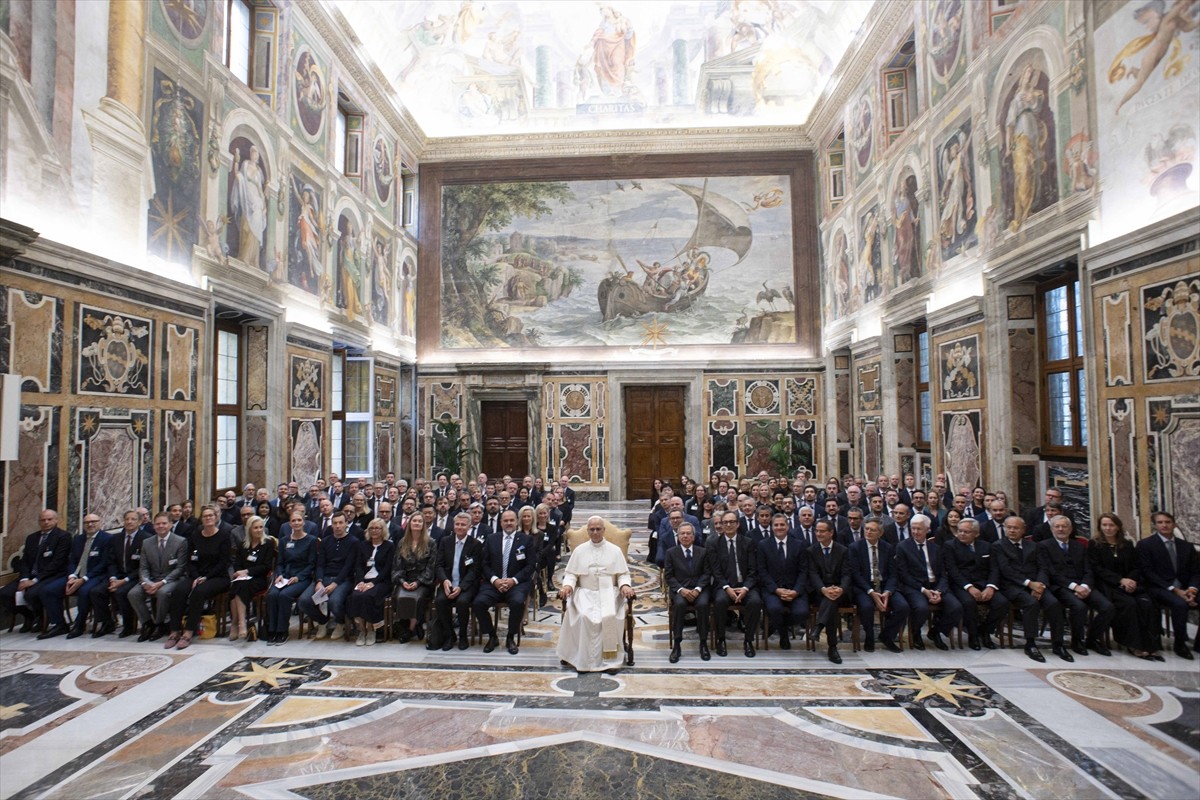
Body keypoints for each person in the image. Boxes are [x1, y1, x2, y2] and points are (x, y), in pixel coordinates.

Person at [557, 516, 635, 672]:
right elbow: (571, 574)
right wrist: (567, 586)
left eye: (598, 529)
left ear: (604, 530)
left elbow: (622, 574)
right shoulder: (579, 551)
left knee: (609, 616)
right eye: (592, 529)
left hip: (609, 593)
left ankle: (610, 661)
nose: (595, 532)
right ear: (587, 531)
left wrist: (625, 585)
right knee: (584, 617)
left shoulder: (615, 550)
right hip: (584, 593)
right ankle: (583, 660)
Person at [995, 516, 1070, 663]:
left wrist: (1040, 585)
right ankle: (1030, 643)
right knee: (1031, 603)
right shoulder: (998, 546)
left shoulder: (1033, 546)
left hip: (1036, 584)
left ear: (1023, 530)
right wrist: (1030, 584)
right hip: (1012, 586)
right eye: (1008, 527)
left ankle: (1058, 643)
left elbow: (1043, 567)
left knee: (1054, 603)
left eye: (1015, 528)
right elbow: (1006, 571)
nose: (1011, 530)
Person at [1090, 513, 1163, 660]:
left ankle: (1151, 645)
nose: (1108, 528)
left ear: (1118, 527)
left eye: (1111, 525)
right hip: (1108, 585)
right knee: (1128, 604)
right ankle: (1133, 644)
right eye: (1104, 525)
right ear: (1100, 527)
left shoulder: (1127, 544)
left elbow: (1136, 566)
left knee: (1147, 603)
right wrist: (1120, 580)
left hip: (1130, 584)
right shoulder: (1095, 544)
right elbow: (1097, 569)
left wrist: (1130, 580)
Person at [1042, 515, 1115, 657]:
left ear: (1070, 529)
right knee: (1079, 607)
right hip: (1061, 587)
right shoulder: (1044, 546)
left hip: (1084, 585)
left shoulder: (1079, 546)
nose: (1061, 529)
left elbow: (1088, 569)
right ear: (1052, 529)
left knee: (1107, 607)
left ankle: (1092, 639)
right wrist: (1075, 587)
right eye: (1057, 526)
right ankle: (1077, 641)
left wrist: (1086, 586)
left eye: (1064, 526)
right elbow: (1051, 573)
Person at [169, 506, 233, 650]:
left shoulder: (224, 536)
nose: (208, 518)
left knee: (199, 592)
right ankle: (174, 630)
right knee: (179, 590)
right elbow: (190, 561)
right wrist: (197, 576)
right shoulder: (195, 536)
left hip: (217, 576)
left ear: (216, 518)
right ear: (201, 519)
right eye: (205, 516)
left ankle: (189, 631)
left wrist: (206, 577)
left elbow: (224, 562)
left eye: (211, 515)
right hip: (196, 575)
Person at [1137, 510, 1197, 660]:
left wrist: (1192, 589)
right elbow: (1147, 572)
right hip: (1159, 587)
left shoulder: (1186, 547)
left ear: (1174, 524)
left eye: (1167, 522)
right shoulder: (1146, 545)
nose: (1164, 525)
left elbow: (1196, 571)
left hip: (1185, 587)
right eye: (1160, 522)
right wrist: (1174, 589)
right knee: (1180, 604)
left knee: (1184, 600)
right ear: (1155, 525)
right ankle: (1180, 643)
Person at [895, 514, 960, 650]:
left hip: (935, 585)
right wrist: (924, 590)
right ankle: (916, 633)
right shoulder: (903, 547)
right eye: (913, 529)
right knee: (921, 608)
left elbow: (943, 573)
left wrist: (939, 590)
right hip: (915, 586)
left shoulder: (935, 548)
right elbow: (904, 575)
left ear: (927, 530)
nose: (915, 532)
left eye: (919, 529)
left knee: (956, 607)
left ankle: (936, 632)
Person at [473, 509, 534, 655]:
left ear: (516, 522)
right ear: (500, 523)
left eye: (511, 520)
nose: (508, 523)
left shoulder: (526, 540)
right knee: (478, 603)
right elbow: (484, 564)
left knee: (518, 602)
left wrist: (513, 580)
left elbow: (531, 565)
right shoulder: (491, 538)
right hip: (494, 583)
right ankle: (492, 636)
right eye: (505, 521)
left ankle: (510, 637)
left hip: (516, 583)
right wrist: (495, 580)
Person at [946, 517, 1009, 650]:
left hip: (984, 583)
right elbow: (953, 571)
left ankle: (985, 631)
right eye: (960, 531)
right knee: (969, 603)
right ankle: (973, 636)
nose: (962, 534)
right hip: (961, 585)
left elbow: (994, 569)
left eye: (966, 532)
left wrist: (991, 587)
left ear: (976, 533)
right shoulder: (950, 546)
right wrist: (969, 587)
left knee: (1002, 603)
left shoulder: (986, 546)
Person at [708, 511, 763, 658]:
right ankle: (721, 640)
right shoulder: (714, 544)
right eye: (725, 522)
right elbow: (716, 571)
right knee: (719, 601)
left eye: (732, 522)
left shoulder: (748, 543)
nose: (728, 525)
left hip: (745, 585)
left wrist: (745, 588)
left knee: (756, 602)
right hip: (724, 586)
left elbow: (753, 570)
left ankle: (748, 640)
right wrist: (727, 588)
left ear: (738, 524)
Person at [128, 513, 189, 642]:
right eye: (157, 524)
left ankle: (160, 624)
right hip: (151, 579)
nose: (161, 526)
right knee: (133, 593)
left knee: (163, 593)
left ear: (170, 525)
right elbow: (143, 567)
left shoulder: (180, 541)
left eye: (164, 523)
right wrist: (146, 583)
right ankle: (147, 623)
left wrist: (162, 583)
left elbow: (180, 568)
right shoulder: (147, 542)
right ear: (153, 525)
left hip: (171, 579)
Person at [298, 511, 358, 640]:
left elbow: (348, 567)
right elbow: (320, 564)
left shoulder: (353, 542)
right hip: (324, 577)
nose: (337, 526)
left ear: (346, 524)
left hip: (343, 579)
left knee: (334, 602)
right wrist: (319, 581)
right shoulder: (325, 541)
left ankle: (340, 622)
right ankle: (323, 621)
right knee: (304, 601)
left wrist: (335, 583)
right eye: (335, 523)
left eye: (341, 523)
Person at [849, 519, 907, 653]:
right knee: (866, 606)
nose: (868, 532)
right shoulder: (855, 547)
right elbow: (855, 574)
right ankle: (869, 636)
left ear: (880, 533)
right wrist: (871, 592)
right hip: (864, 586)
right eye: (866, 529)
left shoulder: (888, 548)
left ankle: (887, 636)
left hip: (884, 585)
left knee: (903, 607)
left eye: (872, 530)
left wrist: (887, 592)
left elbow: (893, 574)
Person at [92, 510, 149, 638]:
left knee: (121, 592)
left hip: (135, 577)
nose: (129, 522)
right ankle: (108, 623)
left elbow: (143, 566)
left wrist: (125, 580)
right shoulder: (116, 538)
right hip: (117, 576)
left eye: (133, 519)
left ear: (139, 522)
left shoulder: (146, 539)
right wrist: (113, 578)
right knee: (97, 592)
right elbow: (110, 561)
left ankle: (128, 626)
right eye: (127, 519)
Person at [265, 509, 318, 645]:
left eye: (299, 520)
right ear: (289, 523)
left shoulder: (310, 540)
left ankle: (282, 630)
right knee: (272, 595)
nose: (296, 523)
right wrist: (279, 575)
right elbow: (280, 562)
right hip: (285, 576)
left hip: (302, 577)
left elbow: (312, 564)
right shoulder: (284, 541)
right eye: (293, 521)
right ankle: (272, 630)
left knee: (284, 595)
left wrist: (299, 577)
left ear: (303, 522)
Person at [430, 513, 482, 651]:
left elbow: (474, 571)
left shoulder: (475, 544)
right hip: (448, 583)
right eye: (457, 524)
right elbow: (438, 565)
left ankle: (463, 636)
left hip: (466, 585)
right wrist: (445, 581)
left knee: (462, 602)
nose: (459, 527)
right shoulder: (445, 541)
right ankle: (449, 635)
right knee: (440, 601)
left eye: (463, 524)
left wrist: (461, 587)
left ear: (469, 526)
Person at [758, 513, 809, 651]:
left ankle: (780, 625)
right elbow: (762, 571)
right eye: (776, 525)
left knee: (802, 612)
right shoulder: (763, 545)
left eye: (782, 524)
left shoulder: (799, 545)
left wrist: (796, 591)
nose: (779, 527)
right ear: (771, 527)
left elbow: (804, 571)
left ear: (788, 526)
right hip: (773, 590)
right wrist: (776, 589)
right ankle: (783, 634)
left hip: (794, 589)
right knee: (775, 609)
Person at [664, 523, 710, 662]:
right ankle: (677, 644)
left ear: (693, 536)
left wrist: (697, 589)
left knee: (703, 605)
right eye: (682, 533)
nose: (685, 536)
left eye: (688, 533)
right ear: (678, 536)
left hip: (699, 590)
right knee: (679, 605)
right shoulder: (671, 553)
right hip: (680, 590)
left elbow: (707, 573)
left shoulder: (702, 552)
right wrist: (681, 590)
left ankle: (703, 643)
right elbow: (669, 576)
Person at [64, 514, 114, 639]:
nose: (90, 525)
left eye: (93, 522)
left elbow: (104, 563)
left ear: (100, 522)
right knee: (55, 589)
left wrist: (84, 579)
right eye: (87, 522)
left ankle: (79, 625)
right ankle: (61, 623)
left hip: (98, 575)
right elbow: (73, 561)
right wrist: (72, 576)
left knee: (86, 590)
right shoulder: (78, 539)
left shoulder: (107, 539)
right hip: (78, 575)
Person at [346, 519, 396, 646]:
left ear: (383, 530)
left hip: (381, 581)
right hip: (364, 580)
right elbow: (358, 566)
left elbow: (387, 568)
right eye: (371, 528)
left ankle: (371, 628)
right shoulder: (363, 545)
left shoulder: (389, 546)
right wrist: (361, 581)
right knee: (356, 595)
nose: (374, 531)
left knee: (368, 596)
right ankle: (362, 630)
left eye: (377, 528)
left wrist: (373, 583)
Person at [809, 519, 852, 663]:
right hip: (820, 592)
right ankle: (832, 647)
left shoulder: (843, 550)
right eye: (817, 531)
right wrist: (823, 589)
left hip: (840, 591)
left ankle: (819, 627)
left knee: (832, 600)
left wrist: (841, 589)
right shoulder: (811, 550)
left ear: (831, 533)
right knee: (830, 603)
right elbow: (813, 574)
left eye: (822, 531)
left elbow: (847, 574)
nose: (818, 534)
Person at [228, 515, 276, 641]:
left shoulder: (268, 544)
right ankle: (237, 623)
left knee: (239, 587)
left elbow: (266, 566)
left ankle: (239, 623)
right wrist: (239, 572)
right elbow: (237, 562)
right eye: (256, 528)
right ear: (250, 529)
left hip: (259, 578)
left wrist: (248, 571)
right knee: (237, 585)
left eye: (261, 527)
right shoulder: (243, 544)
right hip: (242, 578)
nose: (259, 530)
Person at [392, 512, 435, 643]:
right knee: (398, 596)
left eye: (419, 521)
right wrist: (402, 581)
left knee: (417, 598)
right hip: (405, 579)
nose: (416, 523)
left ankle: (410, 629)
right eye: (414, 521)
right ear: (409, 524)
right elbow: (397, 565)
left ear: (423, 525)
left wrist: (418, 582)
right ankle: (412, 625)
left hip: (423, 581)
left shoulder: (431, 543)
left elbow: (431, 567)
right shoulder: (402, 542)